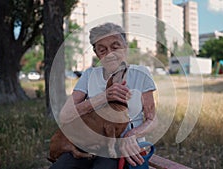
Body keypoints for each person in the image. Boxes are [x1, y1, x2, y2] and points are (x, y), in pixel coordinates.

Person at [50, 22, 157, 169]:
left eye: (115, 46)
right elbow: (65, 116)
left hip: (124, 147)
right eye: (102, 50)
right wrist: (104, 97)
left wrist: (131, 134)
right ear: (96, 54)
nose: (110, 53)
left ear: (125, 47)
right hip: (88, 144)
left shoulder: (140, 73)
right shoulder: (89, 75)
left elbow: (152, 119)